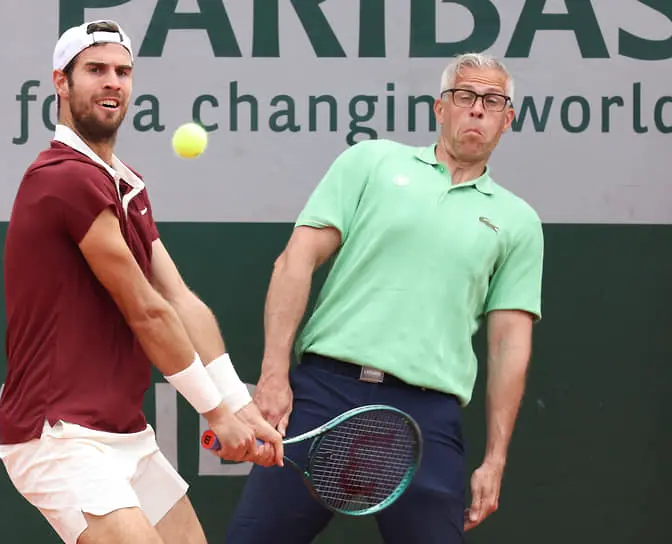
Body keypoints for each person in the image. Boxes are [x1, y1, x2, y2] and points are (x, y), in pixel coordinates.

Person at [226, 53, 545, 543]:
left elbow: (509, 346)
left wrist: (496, 459)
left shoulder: (518, 221)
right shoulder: (371, 161)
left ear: (508, 118)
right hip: (323, 395)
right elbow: (295, 261)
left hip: (428, 416)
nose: (477, 109)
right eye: (465, 96)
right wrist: (273, 377)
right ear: (441, 108)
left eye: (492, 100)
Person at [0, 19, 282, 544]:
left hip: (125, 435)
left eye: (123, 72)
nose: (113, 82)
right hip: (59, 436)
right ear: (61, 82)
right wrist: (215, 412)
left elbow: (180, 299)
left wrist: (238, 404)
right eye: (96, 70)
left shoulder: (125, 182)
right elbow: (146, 309)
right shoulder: (63, 179)